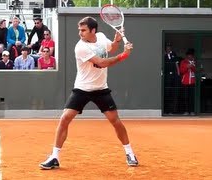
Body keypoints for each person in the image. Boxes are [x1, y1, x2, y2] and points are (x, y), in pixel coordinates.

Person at [39, 16, 138, 170]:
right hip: (82, 89)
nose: (80, 33)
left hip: (101, 88)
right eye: (79, 30)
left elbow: (110, 48)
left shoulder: (101, 37)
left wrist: (117, 41)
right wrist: (124, 55)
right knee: (65, 118)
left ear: (93, 30)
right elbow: (102, 62)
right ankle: (54, 157)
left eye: (83, 30)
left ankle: (130, 153)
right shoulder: (80, 47)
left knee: (115, 121)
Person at [164, 43, 181, 115]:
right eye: (167, 47)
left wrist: (178, 73)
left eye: (169, 47)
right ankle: (166, 110)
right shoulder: (164, 55)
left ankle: (173, 110)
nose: (169, 48)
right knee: (167, 93)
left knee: (173, 93)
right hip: (167, 76)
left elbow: (176, 64)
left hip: (174, 76)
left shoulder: (174, 54)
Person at [179, 48, 196, 115]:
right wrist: (187, 67)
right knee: (185, 97)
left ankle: (192, 111)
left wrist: (192, 66)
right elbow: (181, 71)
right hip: (185, 82)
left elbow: (198, 70)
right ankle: (186, 111)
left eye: (191, 55)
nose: (190, 56)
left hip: (192, 82)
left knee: (192, 97)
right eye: (188, 55)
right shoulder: (183, 62)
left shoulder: (195, 62)